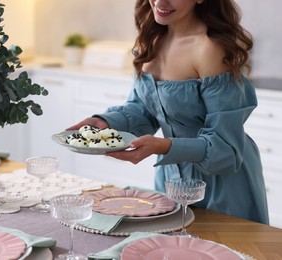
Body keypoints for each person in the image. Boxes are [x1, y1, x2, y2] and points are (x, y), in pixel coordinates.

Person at [67, 0, 269, 224]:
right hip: (172, 177)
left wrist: (164, 146)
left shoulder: (209, 48)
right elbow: (144, 109)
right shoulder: (151, 40)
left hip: (223, 183)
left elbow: (226, 149)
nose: (160, 2)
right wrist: (105, 122)